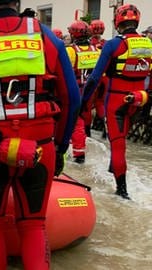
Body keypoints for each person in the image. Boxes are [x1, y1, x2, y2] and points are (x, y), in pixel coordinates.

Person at [0, 0, 80, 269]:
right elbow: (73, 100)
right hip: (41, 146)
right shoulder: (48, 38)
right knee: (34, 225)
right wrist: (61, 145)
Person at [82, 4, 152, 200]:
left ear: (118, 22)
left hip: (116, 102)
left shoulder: (113, 44)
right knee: (122, 142)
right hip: (140, 100)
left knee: (118, 144)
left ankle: (122, 192)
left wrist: (84, 101)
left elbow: (94, 78)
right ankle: (114, 169)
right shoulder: (149, 44)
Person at [66, 20, 100, 163]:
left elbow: (63, 73)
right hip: (91, 93)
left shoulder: (70, 51)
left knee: (74, 123)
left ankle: (78, 155)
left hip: (74, 93)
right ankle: (80, 150)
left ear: (73, 34)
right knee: (84, 123)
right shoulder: (98, 51)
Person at [89, 19, 108, 135]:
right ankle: (106, 128)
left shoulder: (88, 44)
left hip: (92, 77)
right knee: (100, 103)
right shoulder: (106, 43)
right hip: (105, 78)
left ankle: (87, 132)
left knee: (87, 104)